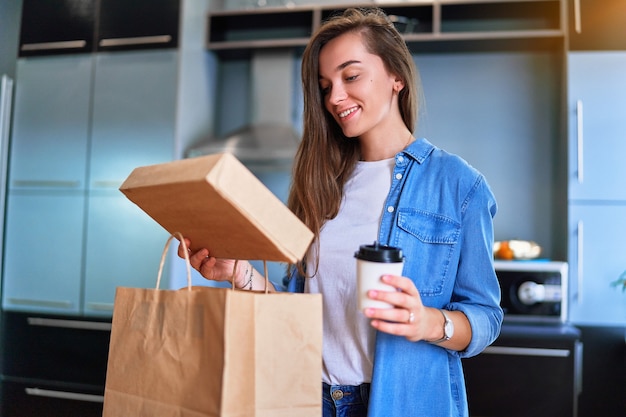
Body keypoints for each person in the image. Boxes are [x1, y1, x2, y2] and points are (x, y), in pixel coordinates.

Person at [179, 7, 502, 417]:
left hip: (402, 405)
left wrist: (427, 322)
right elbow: (296, 314)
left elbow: (486, 318)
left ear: (396, 77)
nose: (334, 97)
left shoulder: (457, 184)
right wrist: (238, 272)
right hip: (310, 399)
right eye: (325, 85)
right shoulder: (318, 183)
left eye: (351, 77)